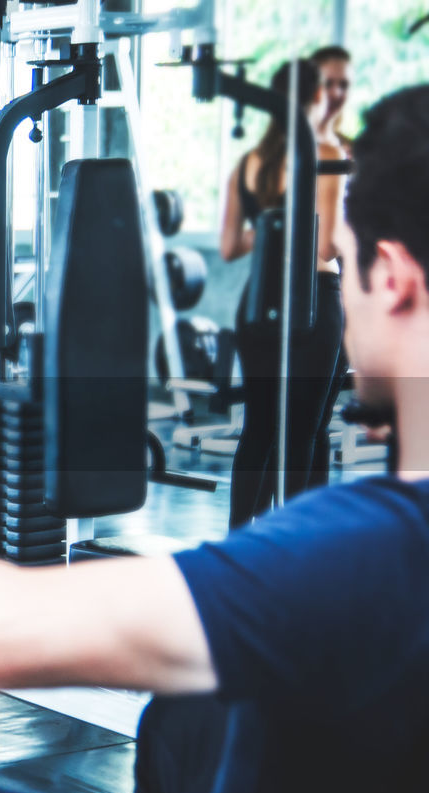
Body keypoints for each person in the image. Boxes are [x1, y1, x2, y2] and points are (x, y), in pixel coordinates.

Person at [0, 84, 429, 793]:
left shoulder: (373, 548)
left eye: (345, 263)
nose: (339, 287)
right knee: (191, 715)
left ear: (394, 278)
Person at [220, 60, 346, 528]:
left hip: (260, 301)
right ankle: (297, 549)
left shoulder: (250, 163)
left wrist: (271, 229)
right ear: (314, 99)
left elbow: (230, 246)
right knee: (303, 435)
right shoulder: (324, 154)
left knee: (258, 430)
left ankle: (241, 543)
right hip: (313, 298)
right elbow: (328, 244)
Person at [310, 45, 353, 153]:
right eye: (327, 84)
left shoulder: (353, 150)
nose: (336, 94)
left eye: (344, 85)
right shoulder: (284, 148)